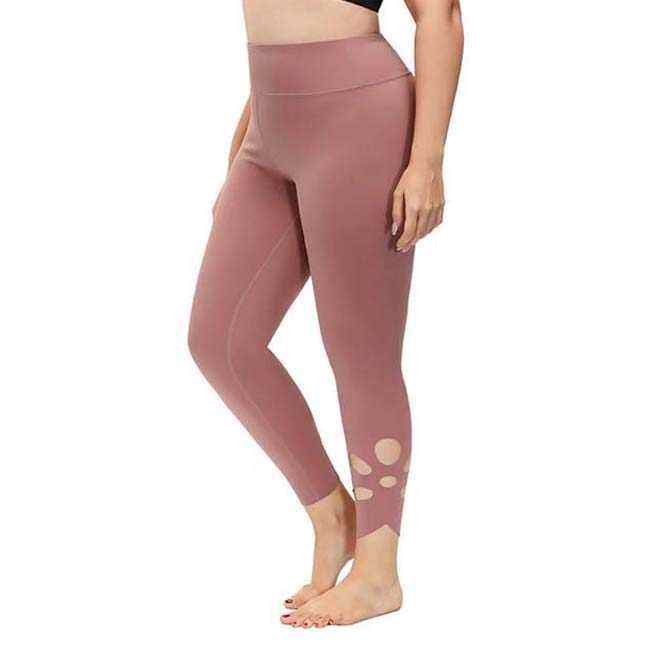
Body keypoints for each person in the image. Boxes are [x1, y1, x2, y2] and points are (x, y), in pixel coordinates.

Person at [189, 0, 463, 628]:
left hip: (358, 118)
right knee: (218, 340)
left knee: (360, 356)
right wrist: (242, 147)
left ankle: (378, 572)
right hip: (270, 125)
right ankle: (332, 514)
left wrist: (427, 161)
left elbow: (441, 16)